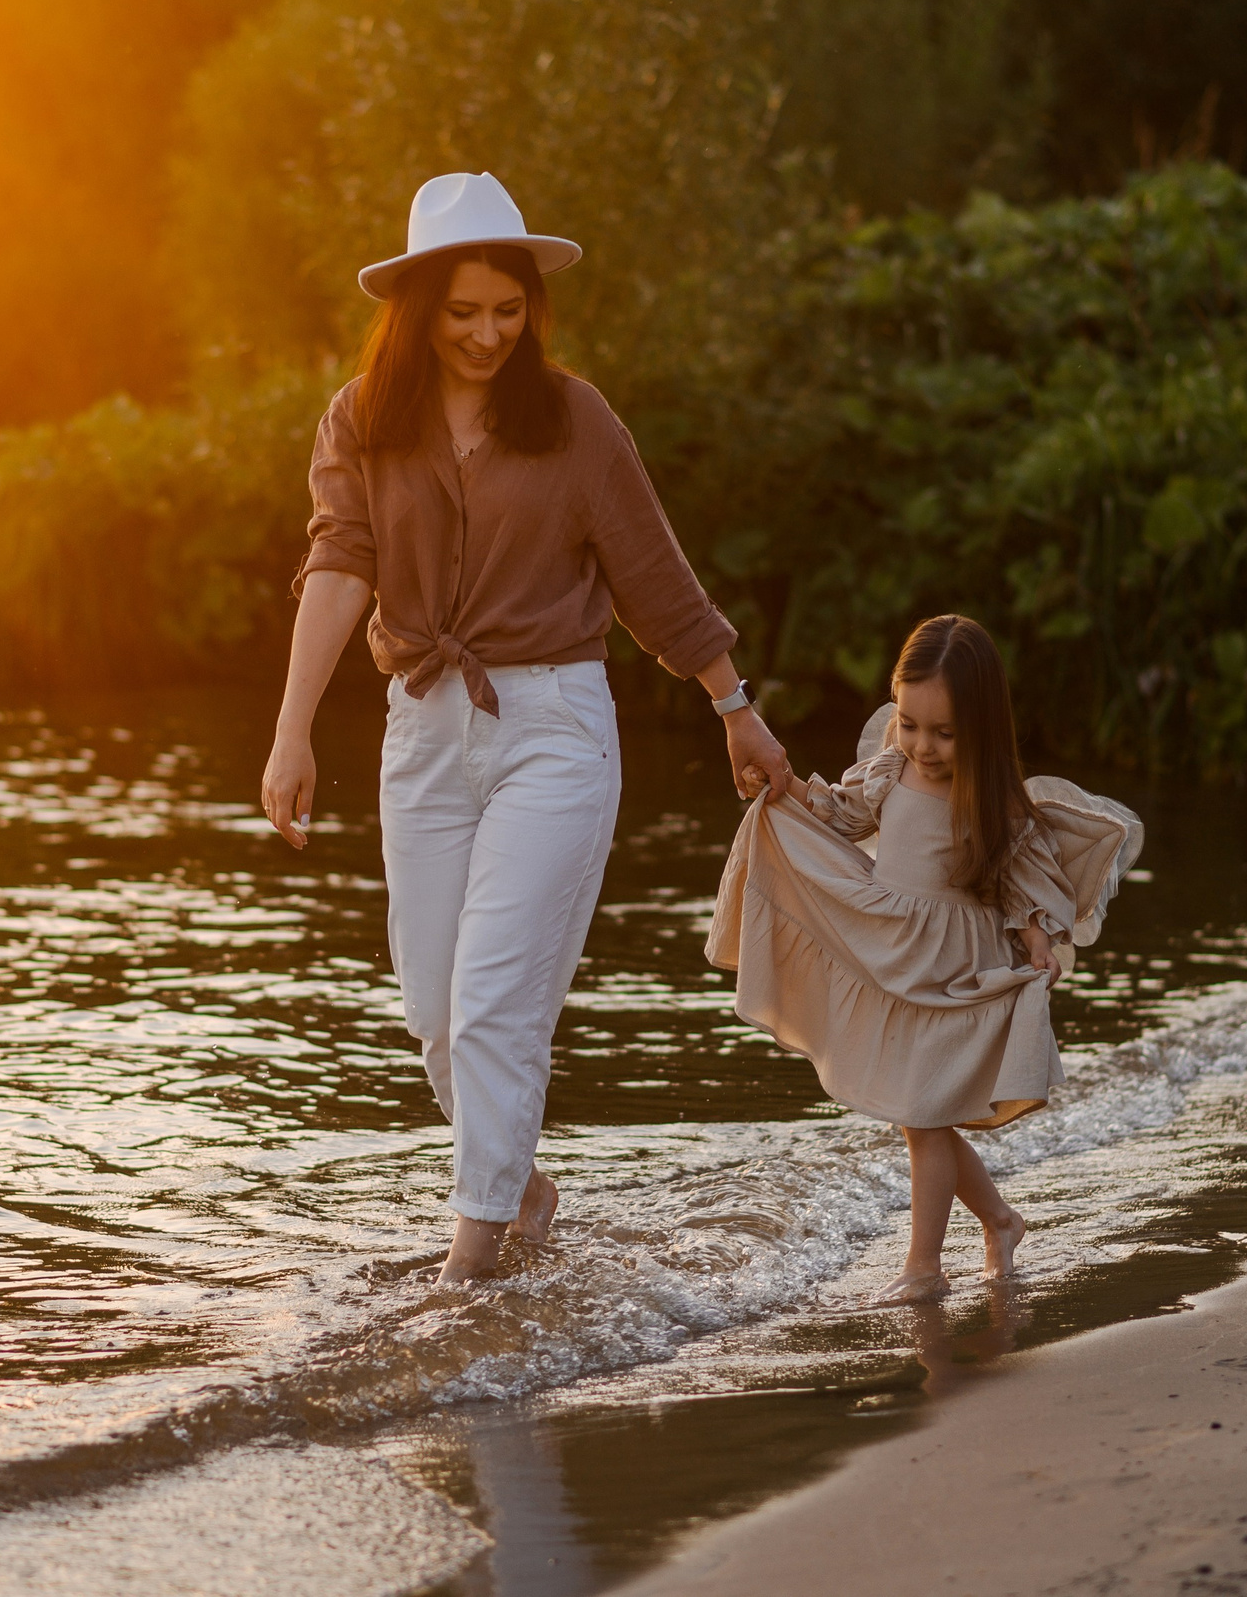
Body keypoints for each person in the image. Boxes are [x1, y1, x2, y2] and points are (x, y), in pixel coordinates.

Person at [261, 171, 793, 1284]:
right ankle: (523, 1188)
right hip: (422, 726)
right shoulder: (361, 419)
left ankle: (469, 1271)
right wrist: (292, 729)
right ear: (416, 308)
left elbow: (653, 577)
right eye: (462, 311)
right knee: (434, 1010)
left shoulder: (575, 419)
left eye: (507, 309)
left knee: (496, 1002)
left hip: (552, 723)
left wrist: (732, 705)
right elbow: (338, 563)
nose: (487, 333)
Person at [706, 614, 1143, 1303]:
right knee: (921, 1117)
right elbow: (843, 815)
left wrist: (1039, 940)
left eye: (944, 732)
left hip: (951, 973)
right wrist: (788, 791)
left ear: (982, 726)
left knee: (924, 1117)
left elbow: (1023, 882)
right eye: (910, 724)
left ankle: (923, 1265)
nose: (923, 745)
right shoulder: (893, 767)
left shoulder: (990, 799)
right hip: (892, 955)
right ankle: (1000, 1222)